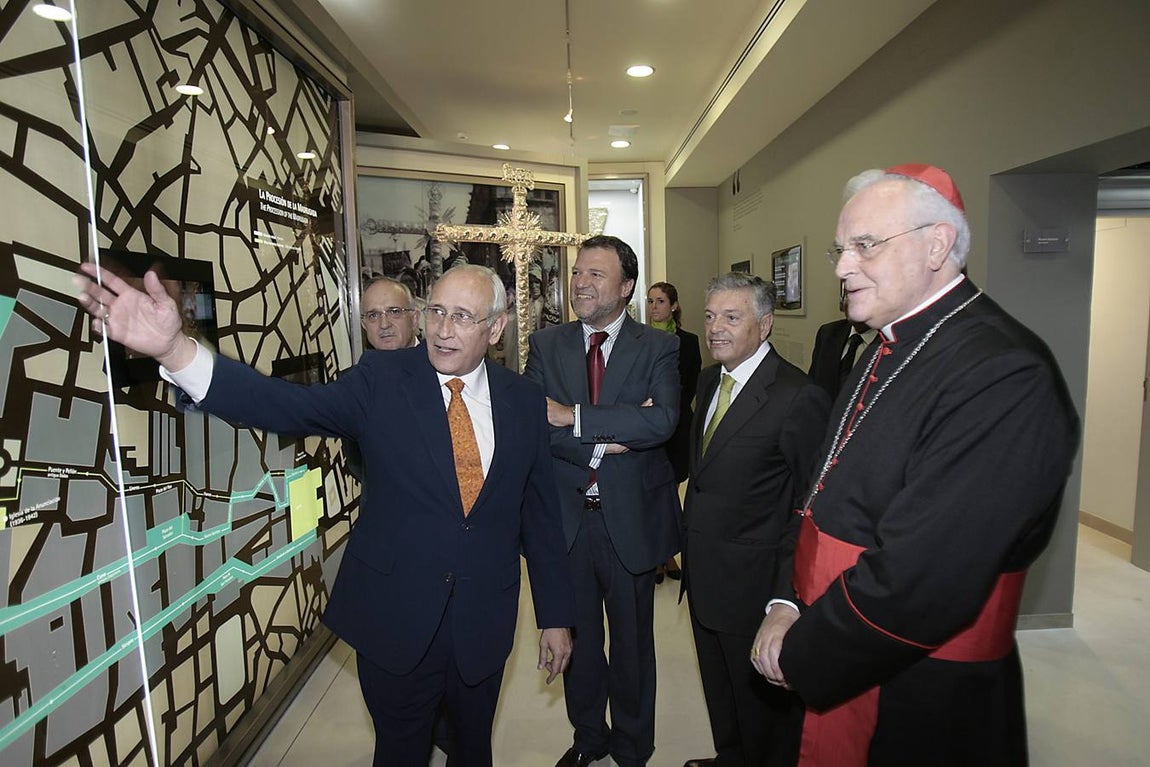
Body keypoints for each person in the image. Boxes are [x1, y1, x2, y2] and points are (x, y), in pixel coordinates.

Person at [76, 262, 575, 767]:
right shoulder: (381, 379)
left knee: (473, 750)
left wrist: (555, 617)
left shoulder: (524, 401)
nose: (443, 330)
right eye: (436, 312)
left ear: (495, 328)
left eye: (463, 317)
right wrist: (176, 350)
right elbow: (284, 405)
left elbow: (539, 516)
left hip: (482, 624)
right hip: (395, 620)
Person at [751, 164, 1080, 767]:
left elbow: (928, 575)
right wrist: (786, 600)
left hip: (917, 680)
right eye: (841, 249)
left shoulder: (1005, 373)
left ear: (937, 245)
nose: (843, 267)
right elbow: (818, 490)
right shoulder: (885, 346)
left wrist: (803, 649)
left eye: (865, 246)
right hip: (835, 628)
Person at [524, 235, 681, 767]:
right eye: (577, 273)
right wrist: (613, 437)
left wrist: (575, 418)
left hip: (630, 519)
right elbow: (531, 426)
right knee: (580, 643)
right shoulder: (547, 344)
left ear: (627, 286)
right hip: (568, 520)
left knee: (634, 644)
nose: (581, 283)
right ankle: (589, 736)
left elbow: (661, 421)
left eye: (596, 274)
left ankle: (634, 746)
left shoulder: (659, 346)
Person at [682, 272, 830, 767]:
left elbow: (812, 506)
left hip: (756, 592)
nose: (715, 329)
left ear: (764, 324)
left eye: (731, 317)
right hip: (705, 579)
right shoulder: (708, 379)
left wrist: (786, 598)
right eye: (709, 316)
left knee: (764, 717)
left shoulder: (797, 396)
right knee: (722, 699)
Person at [646, 281, 701, 583]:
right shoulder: (639, 339)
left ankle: (669, 554)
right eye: (651, 301)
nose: (655, 307)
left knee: (672, 488)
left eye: (661, 301)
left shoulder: (688, 341)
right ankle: (657, 555)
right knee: (654, 490)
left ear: (674, 306)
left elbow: (689, 384)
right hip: (648, 426)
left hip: (679, 425)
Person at [806, 288, 875, 402]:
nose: (853, 303)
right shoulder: (828, 333)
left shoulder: (889, 343)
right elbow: (812, 385)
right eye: (849, 295)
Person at [360, 275, 420, 351]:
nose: (384, 325)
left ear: (414, 318)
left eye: (394, 312)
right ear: (364, 325)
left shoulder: (436, 361)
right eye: (373, 315)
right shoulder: (364, 362)